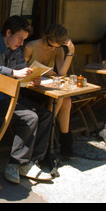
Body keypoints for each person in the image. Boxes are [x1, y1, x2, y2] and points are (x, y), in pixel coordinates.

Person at [0, 15, 53, 184]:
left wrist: (31, 76)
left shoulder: (16, 50)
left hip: (10, 96)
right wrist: (12, 73)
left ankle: (31, 162)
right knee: (29, 117)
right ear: (8, 32)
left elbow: (22, 69)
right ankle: (15, 164)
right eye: (20, 38)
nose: (21, 43)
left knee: (45, 115)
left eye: (24, 40)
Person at [23, 24, 76, 158]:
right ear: (45, 37)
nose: (52, 48)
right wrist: (43, 71)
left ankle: (60, 141)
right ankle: (49, 139)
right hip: (30, 88)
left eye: (56, 47)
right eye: (50, 44)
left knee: (66, 100)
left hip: (47, 88)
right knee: (61, 98)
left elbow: (62, 72)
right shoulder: (31, 46)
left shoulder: (58, 50)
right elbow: (21, 69)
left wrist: (70, 51)